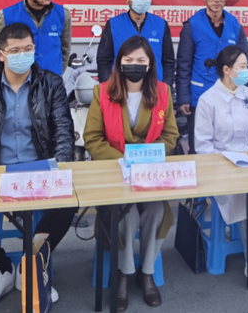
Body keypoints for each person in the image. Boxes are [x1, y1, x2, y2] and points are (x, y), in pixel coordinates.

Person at [0, 23, 75, 312]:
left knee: (68, 205)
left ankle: (32, 264)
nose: (23, 55)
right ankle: (1, 268)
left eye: (28, 49)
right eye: (15, 50)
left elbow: (63, 132)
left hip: (39, 171)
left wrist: (59, 172)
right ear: (1, 54)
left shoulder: (52, 84)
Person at [84, 35, 179, 311]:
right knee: (127, 215)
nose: (134, 64)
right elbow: (92, 138)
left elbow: (170, 135)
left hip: (149, 175)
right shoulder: (102, 92)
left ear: (149, 64)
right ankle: (123, 274)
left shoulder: (163, 92)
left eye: (140, 60)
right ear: (120, 63)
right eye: (128, 60)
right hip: (115, 175)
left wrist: (145, 160)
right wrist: (123, 161)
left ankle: (146, 272)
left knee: (155, 211)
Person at [192, 46, 248, 292]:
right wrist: (227, 166)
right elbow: (203, 145)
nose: (246, 71)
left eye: (247, 66)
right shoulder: (208, 100)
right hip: (220, 170)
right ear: (227, 70)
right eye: (242, 67)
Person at [176, 0, 248, 153]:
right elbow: (184, 64)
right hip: (199, 96)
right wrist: (184, 98)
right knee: (199, 147)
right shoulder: (191, 26)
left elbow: (245, 63)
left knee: (229, 144)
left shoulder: (235, 26)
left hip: (230, 95)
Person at [96, 0, 175, 91]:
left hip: (154, 89)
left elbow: (168, 61)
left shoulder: (160, 24)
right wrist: (108, 89)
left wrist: (166, 87)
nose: (143, 0)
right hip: (121, 89)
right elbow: (104, 61)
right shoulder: (113, 24)